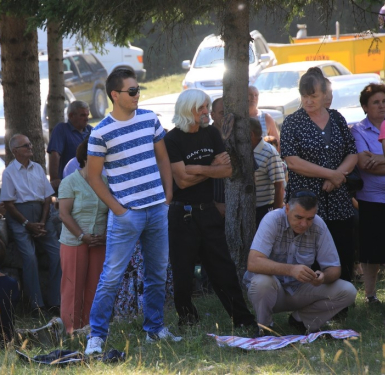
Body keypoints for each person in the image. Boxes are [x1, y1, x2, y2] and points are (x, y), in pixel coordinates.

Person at [85, 68, 179, 355]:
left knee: (157, 272)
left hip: (157, 209)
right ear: (115, 95)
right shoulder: (100, 132)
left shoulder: (150, 119)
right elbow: (92, 176)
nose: (138, 95)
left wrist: (167, 195)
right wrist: (119, 210)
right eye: (132, 91)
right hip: (127, 214)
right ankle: (96, 336)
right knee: (111, 276)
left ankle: (155, 329)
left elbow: (163, 158)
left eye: (138, 90)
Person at [164, 89, 258, 331]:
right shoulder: (172, 139)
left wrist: (195, 168)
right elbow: (181, 182)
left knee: (223, 268)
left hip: (208, 211)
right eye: (201, 108)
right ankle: (188, 322)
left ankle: (243, 320)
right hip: (181, 214)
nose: (206, 112)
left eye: (207, 107)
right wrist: (209, 166)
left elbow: (227, 171)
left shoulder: (211, 134)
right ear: (188, 111)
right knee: (183, 273)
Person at [280, 67, 358, 282]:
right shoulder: (292, 122)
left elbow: (352, 153)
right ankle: (310, 306)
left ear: (325, 94)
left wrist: (337, 176)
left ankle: (342, 302)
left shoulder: (337, 118)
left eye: (313, 96)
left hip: (338, 199)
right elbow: (292, 161)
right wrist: (331, 174)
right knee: (308, 252)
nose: (308, 101)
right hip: (306, 199)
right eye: (304, 96)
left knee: (343, 249)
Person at [244, 190, 357, 333]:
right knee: (262, 282)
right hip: (272, 290)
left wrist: (323, 277)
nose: (304, 224)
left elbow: (334, 269)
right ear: (286, 209)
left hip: (301, 289)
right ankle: (265, 327)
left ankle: (301, 321)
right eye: (298, 217)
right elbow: (253, 262)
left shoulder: (319, 225)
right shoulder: (272, 219)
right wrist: (291, 270)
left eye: (309, 218)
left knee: (348, 291)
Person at [0, 134, 61, 314]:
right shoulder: (9, 172)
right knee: (29, 257)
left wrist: (42, 222)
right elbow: (9, 204)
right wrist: (27, 224)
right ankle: (36, 304)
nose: (31, 147)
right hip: (20, 217)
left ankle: (55, 301)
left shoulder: (38, 169)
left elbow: (47, 198)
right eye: (26, 145)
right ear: (15, 151)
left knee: (57, 253)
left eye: (30, 143)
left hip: (42, 214)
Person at [58, 136, 107, 335]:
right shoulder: (70, 182)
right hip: (74, 241)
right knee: (73, 288)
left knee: (95, 287)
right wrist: (81, 236)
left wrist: (104, 236)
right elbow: (64, 214)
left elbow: (112, 211)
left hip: (99, 242)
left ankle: (90, 329)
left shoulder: (105, 181)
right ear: (87, 157)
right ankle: (71, 330)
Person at [350, 83, 385, 304]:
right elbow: (364, 164)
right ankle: (371, 296)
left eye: (384, 102)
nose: (382, 106)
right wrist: (375, 160)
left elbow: (373, 162)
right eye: (376, 102)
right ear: (365, 107)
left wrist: (379, 158)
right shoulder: (358, 130)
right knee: (372, 252)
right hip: (371, 199)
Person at [47, 101, 93, 191]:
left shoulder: (91, 130)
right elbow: (55, 154)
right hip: (69, 182)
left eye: (87, 115)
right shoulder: (62, 129)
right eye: (83, 115)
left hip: (91, 182)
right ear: (71, 116)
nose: (86, 118)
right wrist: (54, 179)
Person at [250, 118, 285, 227]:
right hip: (249, 210)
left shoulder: (269, 152)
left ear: (250, 134)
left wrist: (275, 217)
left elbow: (279, 186)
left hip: (264, 210)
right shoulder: (246, 150)